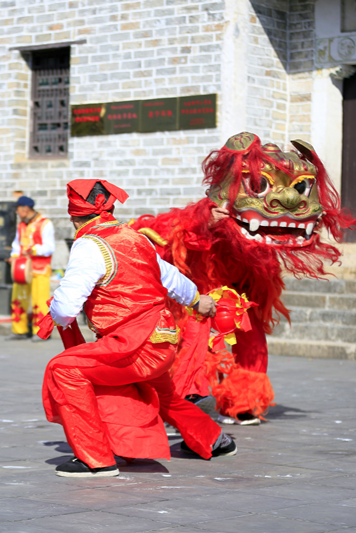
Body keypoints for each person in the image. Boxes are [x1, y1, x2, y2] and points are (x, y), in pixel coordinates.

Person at [41, 180, 236, 478]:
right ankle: (216, 440)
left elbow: (66, 308)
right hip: (162, 341)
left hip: (133, 347)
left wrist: (54, 311)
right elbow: (170, 276)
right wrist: (198, 300)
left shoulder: (89, 245)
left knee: (64, 369)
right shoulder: (134, 237)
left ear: (73, 217)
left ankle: (95, 458)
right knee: (166, 396)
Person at [7, 196, 55, 340]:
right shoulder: (21, 225)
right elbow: (16, 245)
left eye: (18, 208)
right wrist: (14, 256)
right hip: (21, 269)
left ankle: (40, 332)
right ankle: (19, 330)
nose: (16, 212)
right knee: (18, 299)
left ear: (25, 208)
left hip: (40, 269)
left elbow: (49, 247)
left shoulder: (45, 224)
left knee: (40, 301)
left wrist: (33, 249)